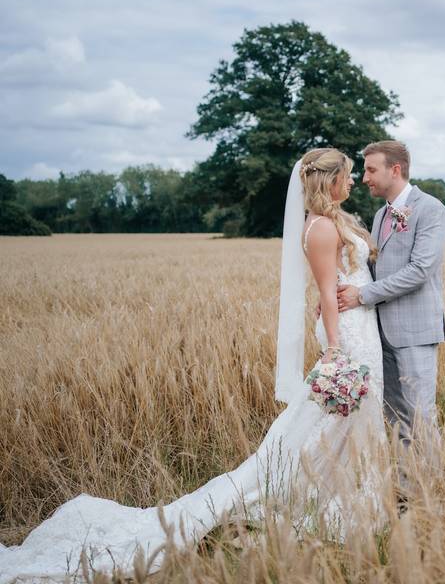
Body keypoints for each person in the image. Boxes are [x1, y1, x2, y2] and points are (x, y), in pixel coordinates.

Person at [0, 148, 386, 582]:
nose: (353, 182)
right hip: (348, 334)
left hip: (362, 327)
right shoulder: (318, 229)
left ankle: (346, 496)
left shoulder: (336, 220)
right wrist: (334, 347)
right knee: (334, 419)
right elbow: (325, 291)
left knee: (344, 422)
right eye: (348, 176)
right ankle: (319, 500)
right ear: (328, 180)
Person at [336, 140, 445, 497]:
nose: (364, 178)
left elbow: (420, 270)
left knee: (420, 414)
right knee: (396, 416)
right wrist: (337, 289)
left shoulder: (430, 210)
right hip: (379, 331)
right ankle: (405, 489)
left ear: (394, 170)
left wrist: (363, 295)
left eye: (371, 170)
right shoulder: (383, 215)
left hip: (415, 330)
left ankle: (430, 491)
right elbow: (374, 267)